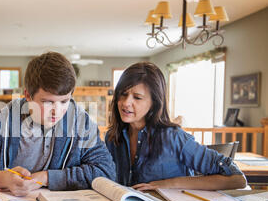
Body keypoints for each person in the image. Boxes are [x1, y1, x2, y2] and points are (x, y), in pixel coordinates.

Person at [0, 52, 116, 195]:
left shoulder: (81, 122)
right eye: (47, 102)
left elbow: (106, 171)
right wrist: (2, 179)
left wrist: (46, 178)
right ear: (27, 95)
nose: (57, 111)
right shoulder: (4, 120)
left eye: (64, 101)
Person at [105, 62, 246, 191]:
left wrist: (170, 183)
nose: (125, 103)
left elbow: (237, 179)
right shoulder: (112, 137)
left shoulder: (173, 137)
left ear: (154, 102)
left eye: (137, 97)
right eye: (123, 94)